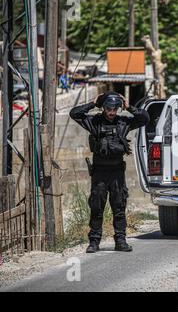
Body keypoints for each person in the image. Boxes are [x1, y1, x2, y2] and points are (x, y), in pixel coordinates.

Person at [69, 91, 150, 253]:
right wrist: (93, 103)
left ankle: (120, 241)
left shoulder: (123, 122)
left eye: (115, 109)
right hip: (99, 172)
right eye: (108, 109)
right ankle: (94, 242)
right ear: (103, 108)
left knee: (119, 207)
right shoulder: (95, 122)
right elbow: (74, 113)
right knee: (97, 207)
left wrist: (129, 107)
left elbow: (144, 118)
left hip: (117, 173)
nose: (112, 112)